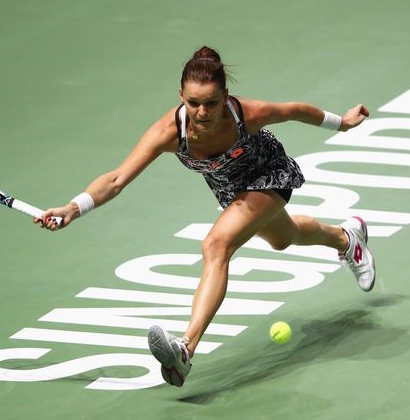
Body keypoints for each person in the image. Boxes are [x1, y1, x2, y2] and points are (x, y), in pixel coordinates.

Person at [36, 46, 376, 387]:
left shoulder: (247, 114)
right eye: (193, 102)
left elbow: (294, 111)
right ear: (181, 96)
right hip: (231, 192)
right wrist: (73, 207)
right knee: (283, 239)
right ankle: (347, 238)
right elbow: (116, 179)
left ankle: (185, 349)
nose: (202, 112)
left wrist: (341, 123)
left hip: (269, 174)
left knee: (216, 245)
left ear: (225, 96)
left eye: (211, 103)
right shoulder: (169, 133)